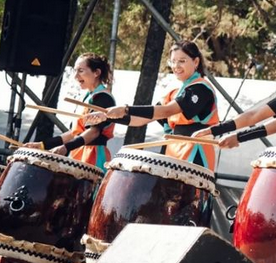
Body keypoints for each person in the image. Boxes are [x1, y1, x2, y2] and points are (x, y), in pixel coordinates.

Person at [91, 40, 220, 169]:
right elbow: (140, 119)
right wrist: (107, 117)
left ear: (196, 62)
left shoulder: (201, 88)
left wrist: (125, 109)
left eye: (182, 61)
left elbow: (166, 110)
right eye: (173, 61)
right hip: (175, 151)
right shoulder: (174, 93)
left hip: (196, 152)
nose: (176, 66)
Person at [26, 53, 116, 170]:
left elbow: (93, 132)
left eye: (81, 71)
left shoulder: (103, 98)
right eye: (75, 71)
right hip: (79, 152)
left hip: (93, 155)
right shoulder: (88, 97)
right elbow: (74, 133)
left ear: (96, 72)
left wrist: (66, 147)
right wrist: (43, 145)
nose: (75, 76)